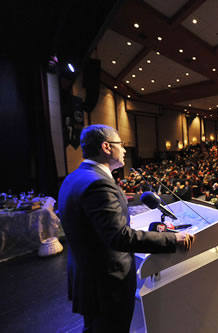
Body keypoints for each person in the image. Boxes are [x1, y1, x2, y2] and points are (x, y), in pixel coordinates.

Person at [58, 125, 194, 332]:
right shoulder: (98, 184)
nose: (123, 149)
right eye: (120, 144)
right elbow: (120, 238)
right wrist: (173, 239)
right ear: (106, 147)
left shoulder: (74, 177)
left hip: (88, 277)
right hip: (107, 283)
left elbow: (94, 228)